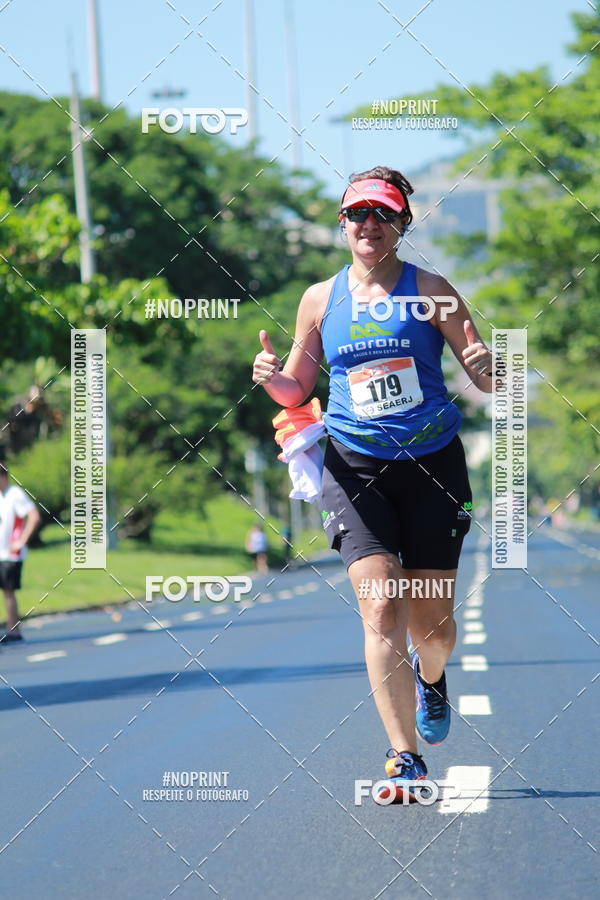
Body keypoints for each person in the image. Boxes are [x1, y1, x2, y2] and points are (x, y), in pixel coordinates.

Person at [252, 166, 493, 802]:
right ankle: (404, 755)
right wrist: (270, 375)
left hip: (432, 466)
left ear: (401, 224)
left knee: (432, 626)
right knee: (381, 603)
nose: (369, 225)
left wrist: (485, 364)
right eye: (357, 214)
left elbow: (491, 379)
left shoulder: (433, 291)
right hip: (354, 464)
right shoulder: (318, 299)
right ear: (343, 223)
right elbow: (297, 388)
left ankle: (432, 681)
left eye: (382, 215)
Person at [0, 462, 41, 642]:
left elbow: (34, 516)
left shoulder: (15, 494)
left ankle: (13, 629)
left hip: (10, 553)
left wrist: (22, 540)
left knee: (8, 590)